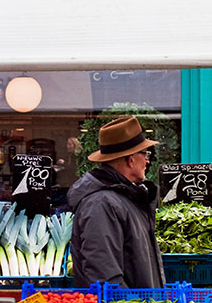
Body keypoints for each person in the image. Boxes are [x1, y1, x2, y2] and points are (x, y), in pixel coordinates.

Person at [67, 115, 165, 288]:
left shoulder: (125, 198)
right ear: (131, 159)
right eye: (145, 154)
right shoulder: (101, 205)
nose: (148, 161)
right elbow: (105, 278)